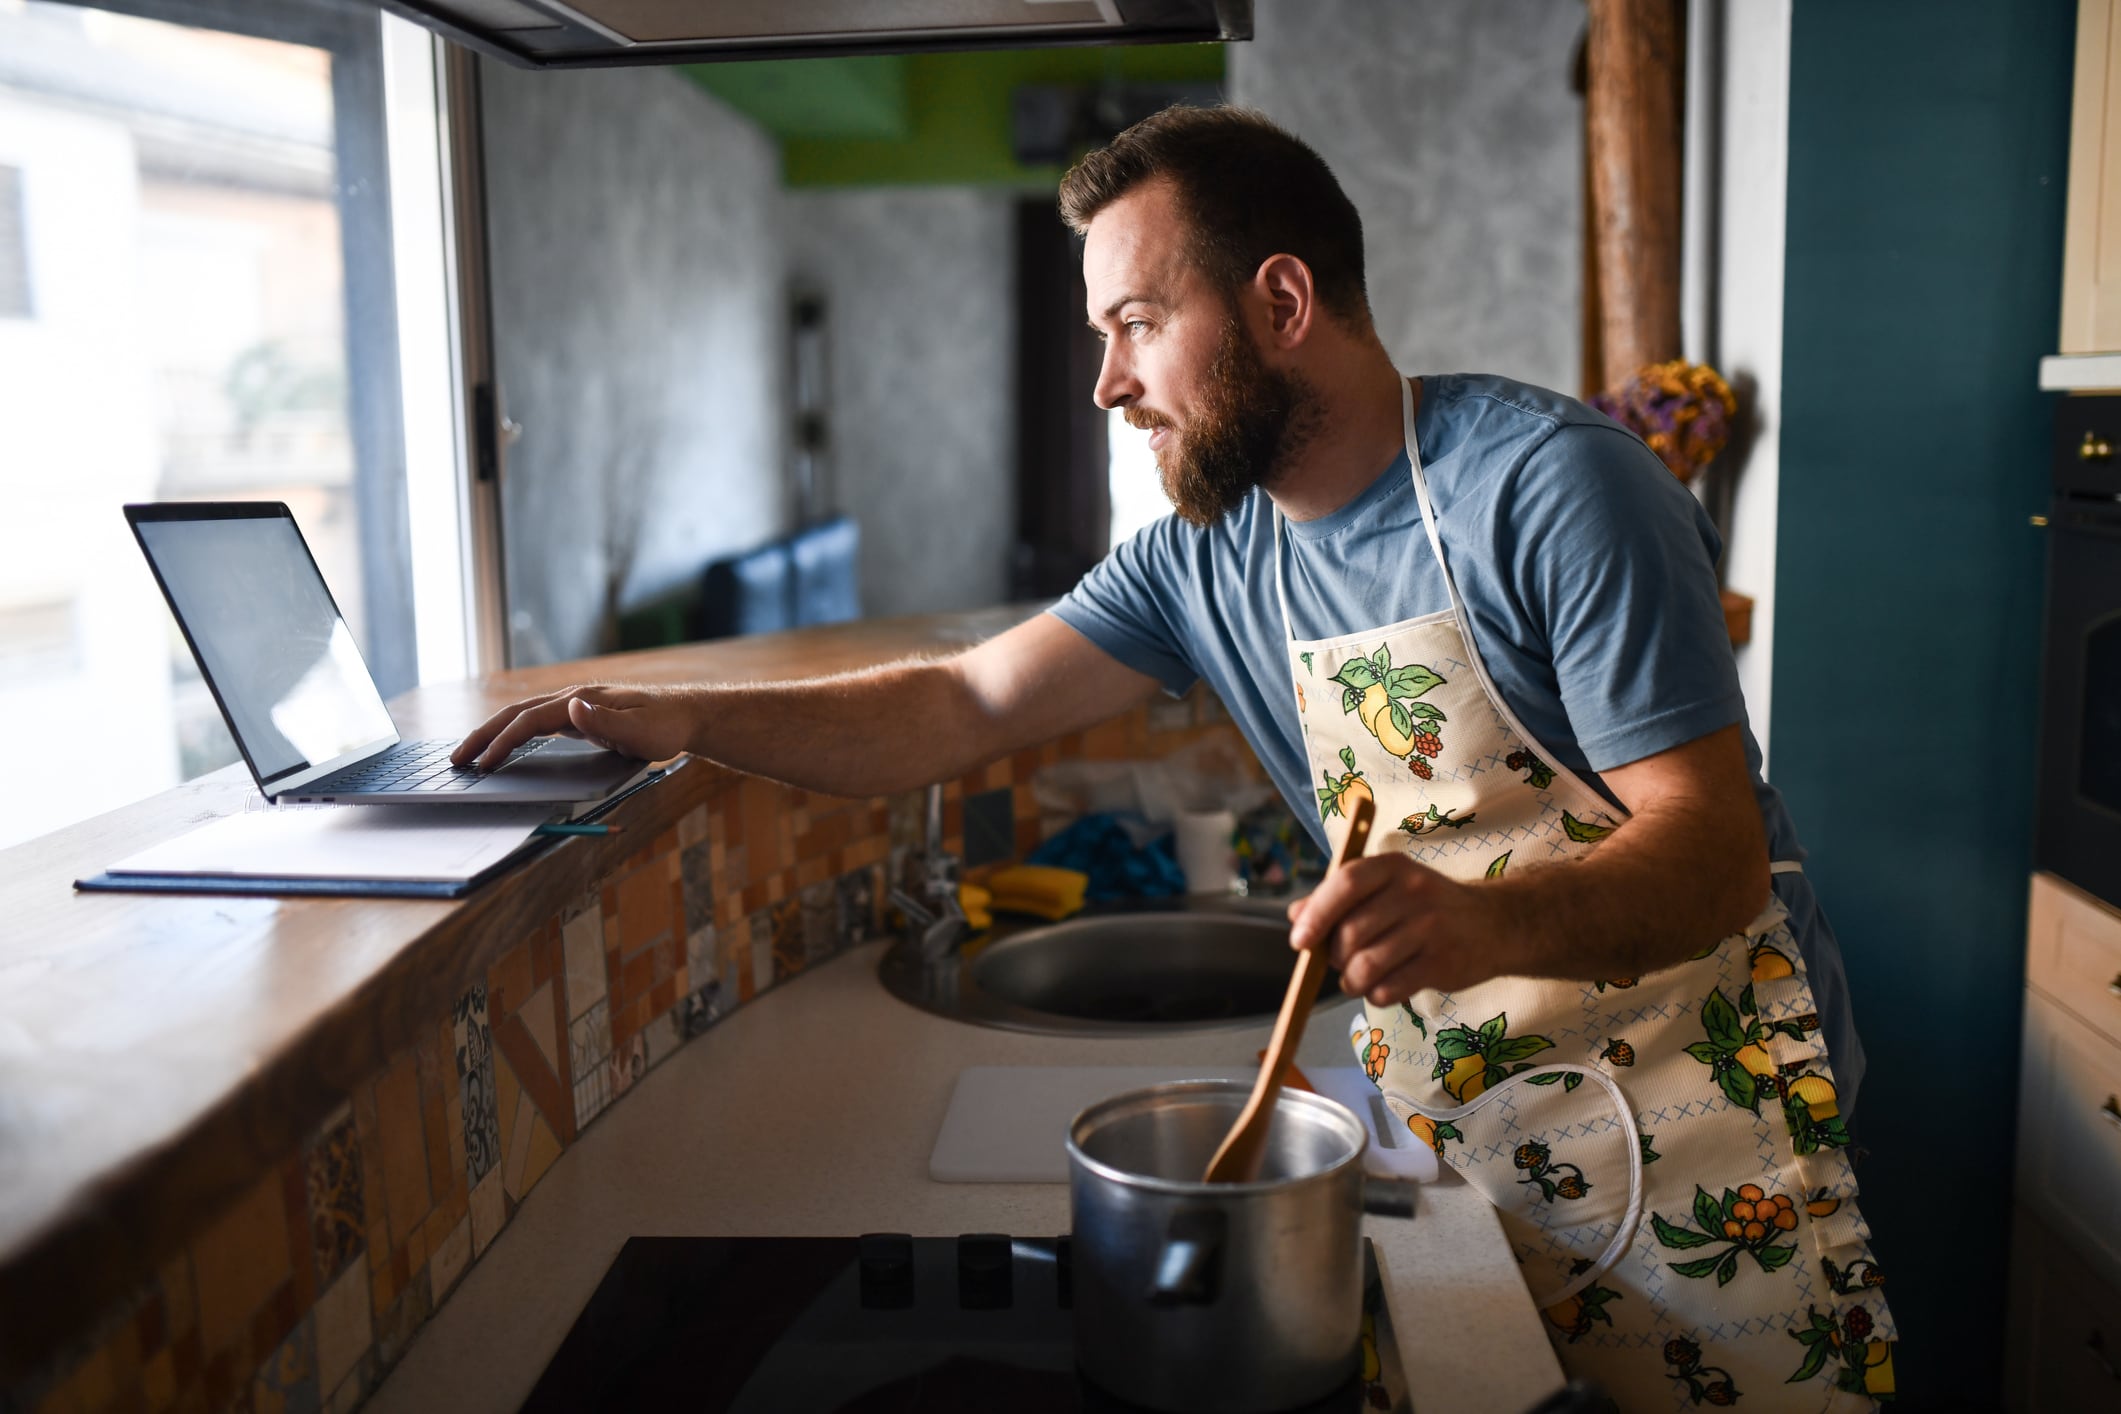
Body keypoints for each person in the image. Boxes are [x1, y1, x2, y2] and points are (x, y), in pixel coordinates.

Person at [454, 105, 1893, 1408]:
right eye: (1097, 332)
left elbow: (1706, 852)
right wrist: (695, 718)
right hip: (1482, 1127)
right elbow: (956, 705)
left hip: (1708, 1124)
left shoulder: (1553, 487)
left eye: (1135, 321)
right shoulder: (1210, 558)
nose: (1105, 383)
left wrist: (1476, 919)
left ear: (1279, 301)